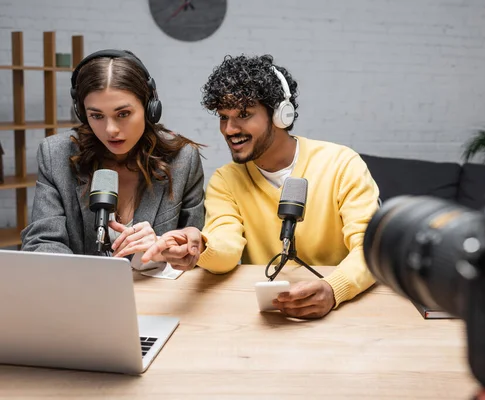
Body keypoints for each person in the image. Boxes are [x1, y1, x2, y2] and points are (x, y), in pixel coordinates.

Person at [144, 54, 380, 319]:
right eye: (223, 117)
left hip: (342, 312)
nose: (230, 129)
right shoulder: (226, 180)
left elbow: (371, 249)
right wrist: (202, 246)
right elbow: (227, 246)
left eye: (244, 115)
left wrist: (334, 289)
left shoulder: (341, 164)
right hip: (269, 314)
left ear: (280, 114)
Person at [21, 49, 204, 270]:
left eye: (123, 114)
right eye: (96, 116)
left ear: (149, 109)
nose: (111, 130)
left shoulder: (183, 159)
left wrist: (168, 251)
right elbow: (41, 244)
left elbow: (196, 252)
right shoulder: (56, 155)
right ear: (83, 113)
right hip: (80, 297)